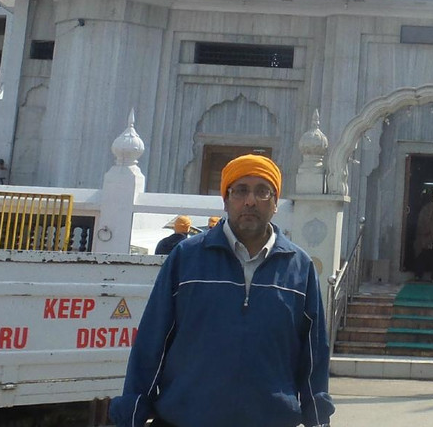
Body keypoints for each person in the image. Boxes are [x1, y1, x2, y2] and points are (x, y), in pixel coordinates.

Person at [109, 154, 334, 427]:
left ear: (276, 203)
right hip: (186, 419)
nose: (250, 200)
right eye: (240, 190)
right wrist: (133, 413)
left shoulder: (298, 267)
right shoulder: (188, 258)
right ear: (226, 200)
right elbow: (152, 341)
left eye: (263, 191)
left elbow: (313, 355)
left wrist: (318, 420)